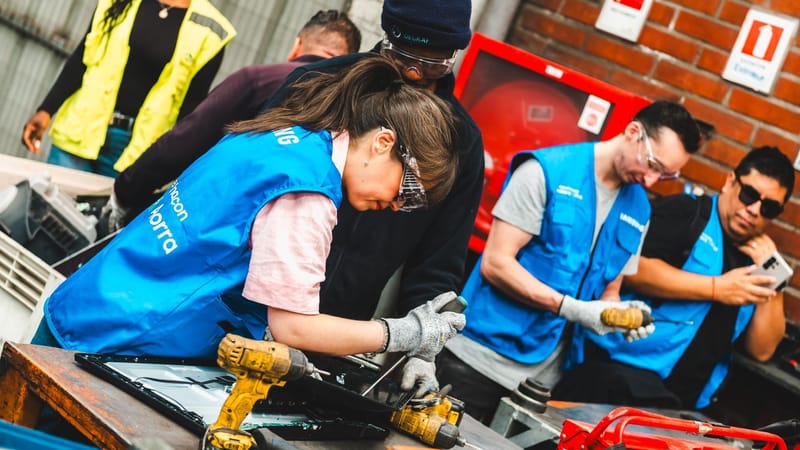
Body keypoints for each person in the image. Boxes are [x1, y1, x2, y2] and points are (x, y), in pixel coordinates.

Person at [105, 0, 483, 392]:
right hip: (234, 316)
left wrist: (423, 348)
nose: (414, 73)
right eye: (404, 57)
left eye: (431, 63)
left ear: (454, 55)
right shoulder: (314, 139)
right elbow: (290, 318)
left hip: (335, 336)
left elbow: (438, 262)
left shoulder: (462, 142)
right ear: (382, 142)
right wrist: (402, 334)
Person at [33, 56, 465, 396]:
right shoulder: (307, 191)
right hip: (112, 348)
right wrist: (404, 334)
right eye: (408, 189)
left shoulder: (283, 135)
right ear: (384, 142)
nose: (398, 206)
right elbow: (294, 327)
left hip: (85, 307)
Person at [436, 101, 702, 423]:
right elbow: (496, 264)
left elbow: (610, 292)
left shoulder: (639, 210)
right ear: (633, 132)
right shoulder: (545, 172)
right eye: (652, 164)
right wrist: (570, 307)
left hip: (540, 385)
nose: (651, 180)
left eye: (665, 175)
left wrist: (620, 317)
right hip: (477, 361)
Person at [552, 146, 795, 411]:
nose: (754, 210)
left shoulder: (758, 259)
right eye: (749, 195)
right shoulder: (686, 213)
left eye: (769, 208)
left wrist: (775, 276)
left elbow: (762, 350)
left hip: (678, 406)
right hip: (615, 381)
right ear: (730, 182)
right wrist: (716, 288)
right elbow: (629, 270)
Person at [107, 9, 361, 225]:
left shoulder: (260, 80)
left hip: (216, 219)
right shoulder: (353, 110)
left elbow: (185, 140)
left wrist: (126, 190)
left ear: (297, 45)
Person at [21, 0, 235, 177]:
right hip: (80, 128)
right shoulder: (117, 2)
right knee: (49, 210)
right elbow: (81, 58)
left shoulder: (212, 30)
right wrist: (46, 110)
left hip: (136, 154)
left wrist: (169, 161)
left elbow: (192, 106)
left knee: (102, 217)